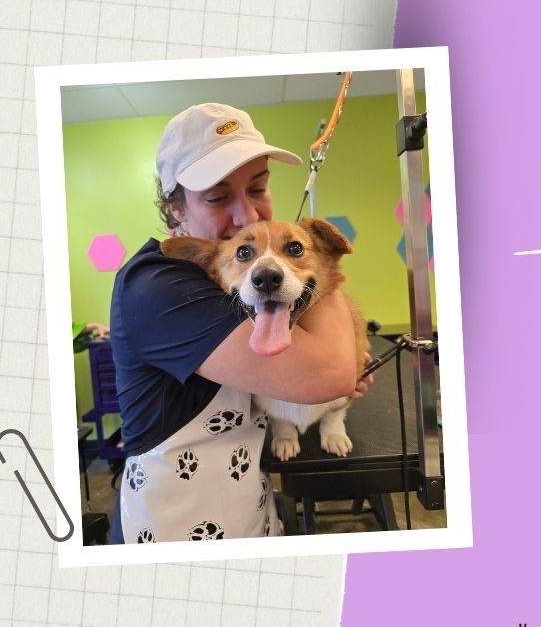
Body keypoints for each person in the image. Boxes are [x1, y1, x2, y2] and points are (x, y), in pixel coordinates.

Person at [108, 102, 359, 543]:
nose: (249, 216)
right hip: (173, 524)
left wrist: (310, 258)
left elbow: (330, 369)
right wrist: (313, 260)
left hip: (245, 501)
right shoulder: (159, 286)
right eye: (218, 197)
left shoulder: (228, 280)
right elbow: (331, 373)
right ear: (176, 208)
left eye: (258, 189)